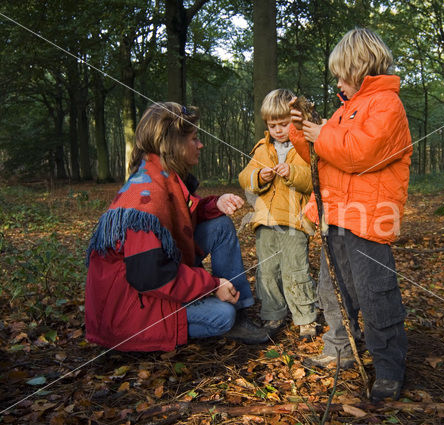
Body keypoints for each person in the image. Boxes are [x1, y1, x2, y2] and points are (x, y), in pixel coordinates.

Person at [84, 102, 269, 352]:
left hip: (145, 289)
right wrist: (212, 285)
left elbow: (181, 215)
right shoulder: (144, 199)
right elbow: (149, 276)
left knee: (220, 225)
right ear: (173, 144)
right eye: (194, 138)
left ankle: (240, 309)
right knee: (222, 315)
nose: (200, 145)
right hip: (130, 311)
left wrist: (215, 204)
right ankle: (227, 313)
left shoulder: (160, 174)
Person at [289, 28, 412, 401]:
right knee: (333, 288)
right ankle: (339, 347)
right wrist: (301, 132)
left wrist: (321, 134)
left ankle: (389, 367)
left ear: (360, 68)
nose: (338, 82)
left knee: (376, 294)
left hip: (369, 219)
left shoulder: (386, 105)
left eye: (342, 74)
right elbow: (323, 157)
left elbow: (360, 153)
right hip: (337, 216)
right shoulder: (346, 109)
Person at [239, 89, 318, 340]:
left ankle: (305, 317)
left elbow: (313, 180)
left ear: (294, 121)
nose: (278, 130)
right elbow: (244, 178)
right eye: (273, 125)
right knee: (268, 270)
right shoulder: (262, 148)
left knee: (295, 269)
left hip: (294, 221)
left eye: (283, 124)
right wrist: (257, 177)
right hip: (265, 221)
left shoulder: (304, 147)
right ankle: (273, 313)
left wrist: (292, 172)